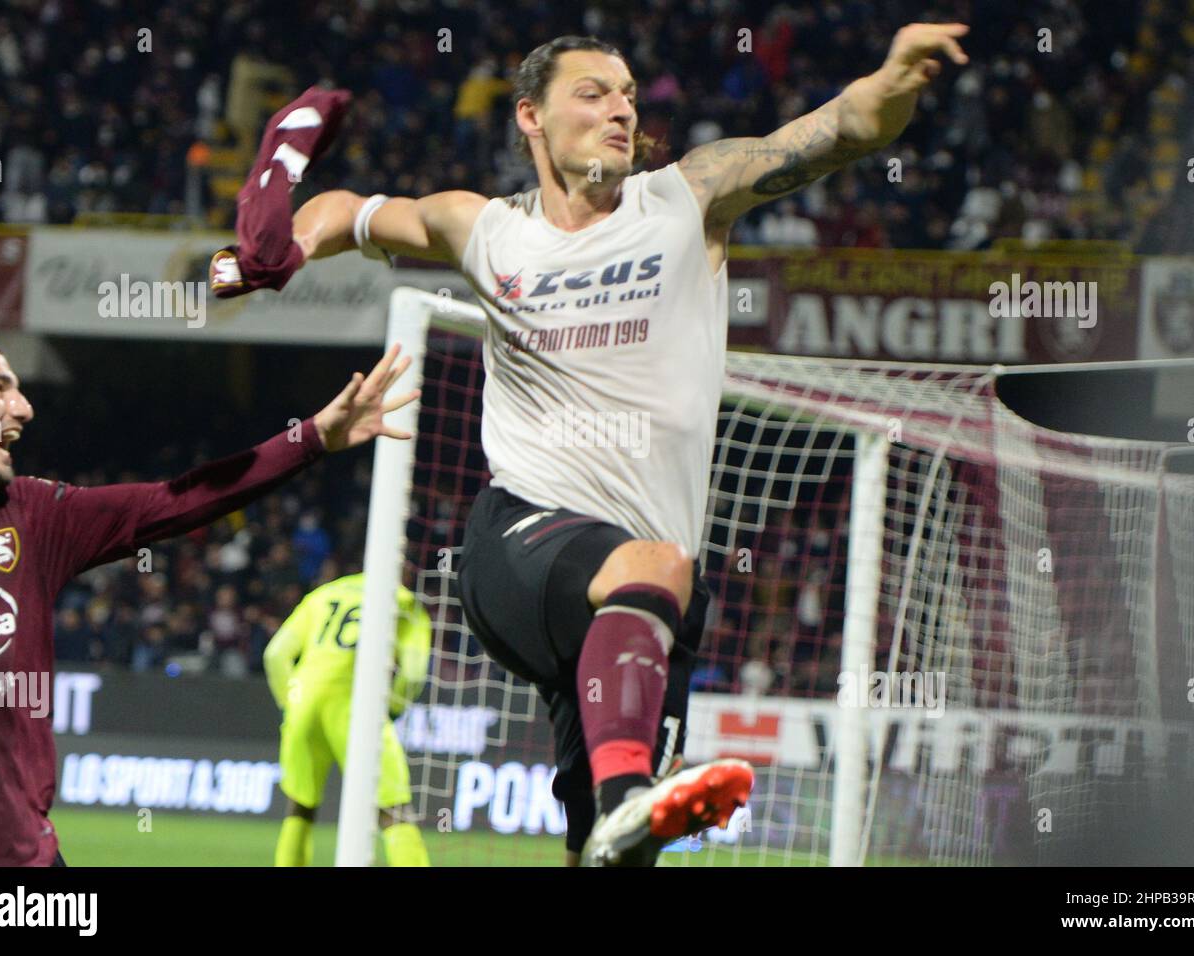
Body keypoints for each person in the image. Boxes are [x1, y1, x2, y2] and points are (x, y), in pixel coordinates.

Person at [213, 23, 968, 865]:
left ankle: (616, 814)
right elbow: (344, 211)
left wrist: (896, 73)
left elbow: (841, 130)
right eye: (594, 93)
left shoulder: (688, 198)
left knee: (612, 853)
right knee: (648, 598)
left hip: (646, 605)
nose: (621, 111)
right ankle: (627, 798)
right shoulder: (484, 229)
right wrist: (284, 247)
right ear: (530, 116)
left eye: (629, 96)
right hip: (519, 540)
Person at [0, 335, 417, 866]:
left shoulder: (33, 517)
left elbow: (181, 498)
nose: (23, 407)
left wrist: (307, 440)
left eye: (20, 389)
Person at [263, 573, 432, 867]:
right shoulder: (402, 601)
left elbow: (275, 654)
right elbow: (414, 672)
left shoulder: (323, 594)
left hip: (304, 700)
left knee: (300, 807)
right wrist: (391, 709)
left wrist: (289, 705)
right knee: (395, 810)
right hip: (357, 705)